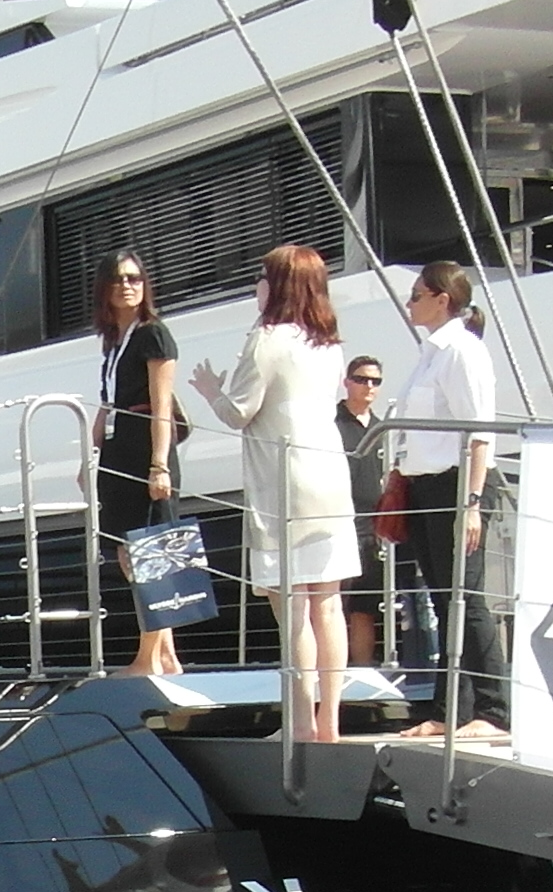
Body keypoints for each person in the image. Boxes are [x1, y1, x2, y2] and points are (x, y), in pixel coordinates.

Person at [190, 243, 357, 745]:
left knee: (293, 610)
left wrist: (209, 389)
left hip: (284, 483)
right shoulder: (328, 343)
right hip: (330, 475)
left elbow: (238, 410)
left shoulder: (267, 339)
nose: (256, 288)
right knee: (330, 606)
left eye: (261, 278)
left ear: (277, 285)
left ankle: (302, 723)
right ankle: (331, 723)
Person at [389, 259, 509, 734]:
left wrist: (472, 502)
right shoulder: (432, 352)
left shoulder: (461, 351)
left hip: (455, 484)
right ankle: (450, 712)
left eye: (417, 294)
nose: (410, 302)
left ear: (443, 299)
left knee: (466, 599)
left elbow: (480, 432)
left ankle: (494, 711)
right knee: (444, 600)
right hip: (425, 485)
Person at [88, 250, 184, 679]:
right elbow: (108, 403)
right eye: (118, 279)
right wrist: (90, 455)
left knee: (153, 551)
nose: (127, 285)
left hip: (144, 448)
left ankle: (150, 657)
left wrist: (159, 464)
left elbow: (162, 403)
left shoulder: (153, 334)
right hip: (117, 450)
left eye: (134, 278)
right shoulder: (113, 342)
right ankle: (165, 656)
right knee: (129, 552)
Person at [335, 352, 389, 664]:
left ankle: (363, 671)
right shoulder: (331, 423)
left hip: (373, 531)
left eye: (375, 381)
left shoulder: (384, 429)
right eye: (361, 379)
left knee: (364, 608)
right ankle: (332, 672)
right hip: (336, 523)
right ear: (347, 382)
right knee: (332, 606)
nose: (369, 386)